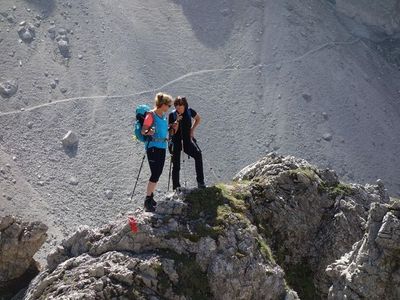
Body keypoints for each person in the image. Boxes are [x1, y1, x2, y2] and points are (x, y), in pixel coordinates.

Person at [141, 92, 173, 212]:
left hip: (162, 147)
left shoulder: (163, 117)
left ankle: (151, 197)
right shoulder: (151, 115)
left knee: (158, 173)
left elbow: (163, 130)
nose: (169, 107)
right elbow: (144, 130)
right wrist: (149, 131)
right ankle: (147, 199)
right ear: (162, 104)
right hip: (153, 147)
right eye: (168, 105)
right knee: (155, 173)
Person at [168, 96, 205, 190]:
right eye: (176, 105)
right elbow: (171, 132)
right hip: (176, 142)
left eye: (180, 105)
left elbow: (198, 118)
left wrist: (192, 130)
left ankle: (200, 182)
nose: (178, 108)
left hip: (187, 141)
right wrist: (177, 122)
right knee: (176, 165)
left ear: (185, 105)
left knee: (198, 155)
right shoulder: (172, 115)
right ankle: (176, 187)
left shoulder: (189, 111)